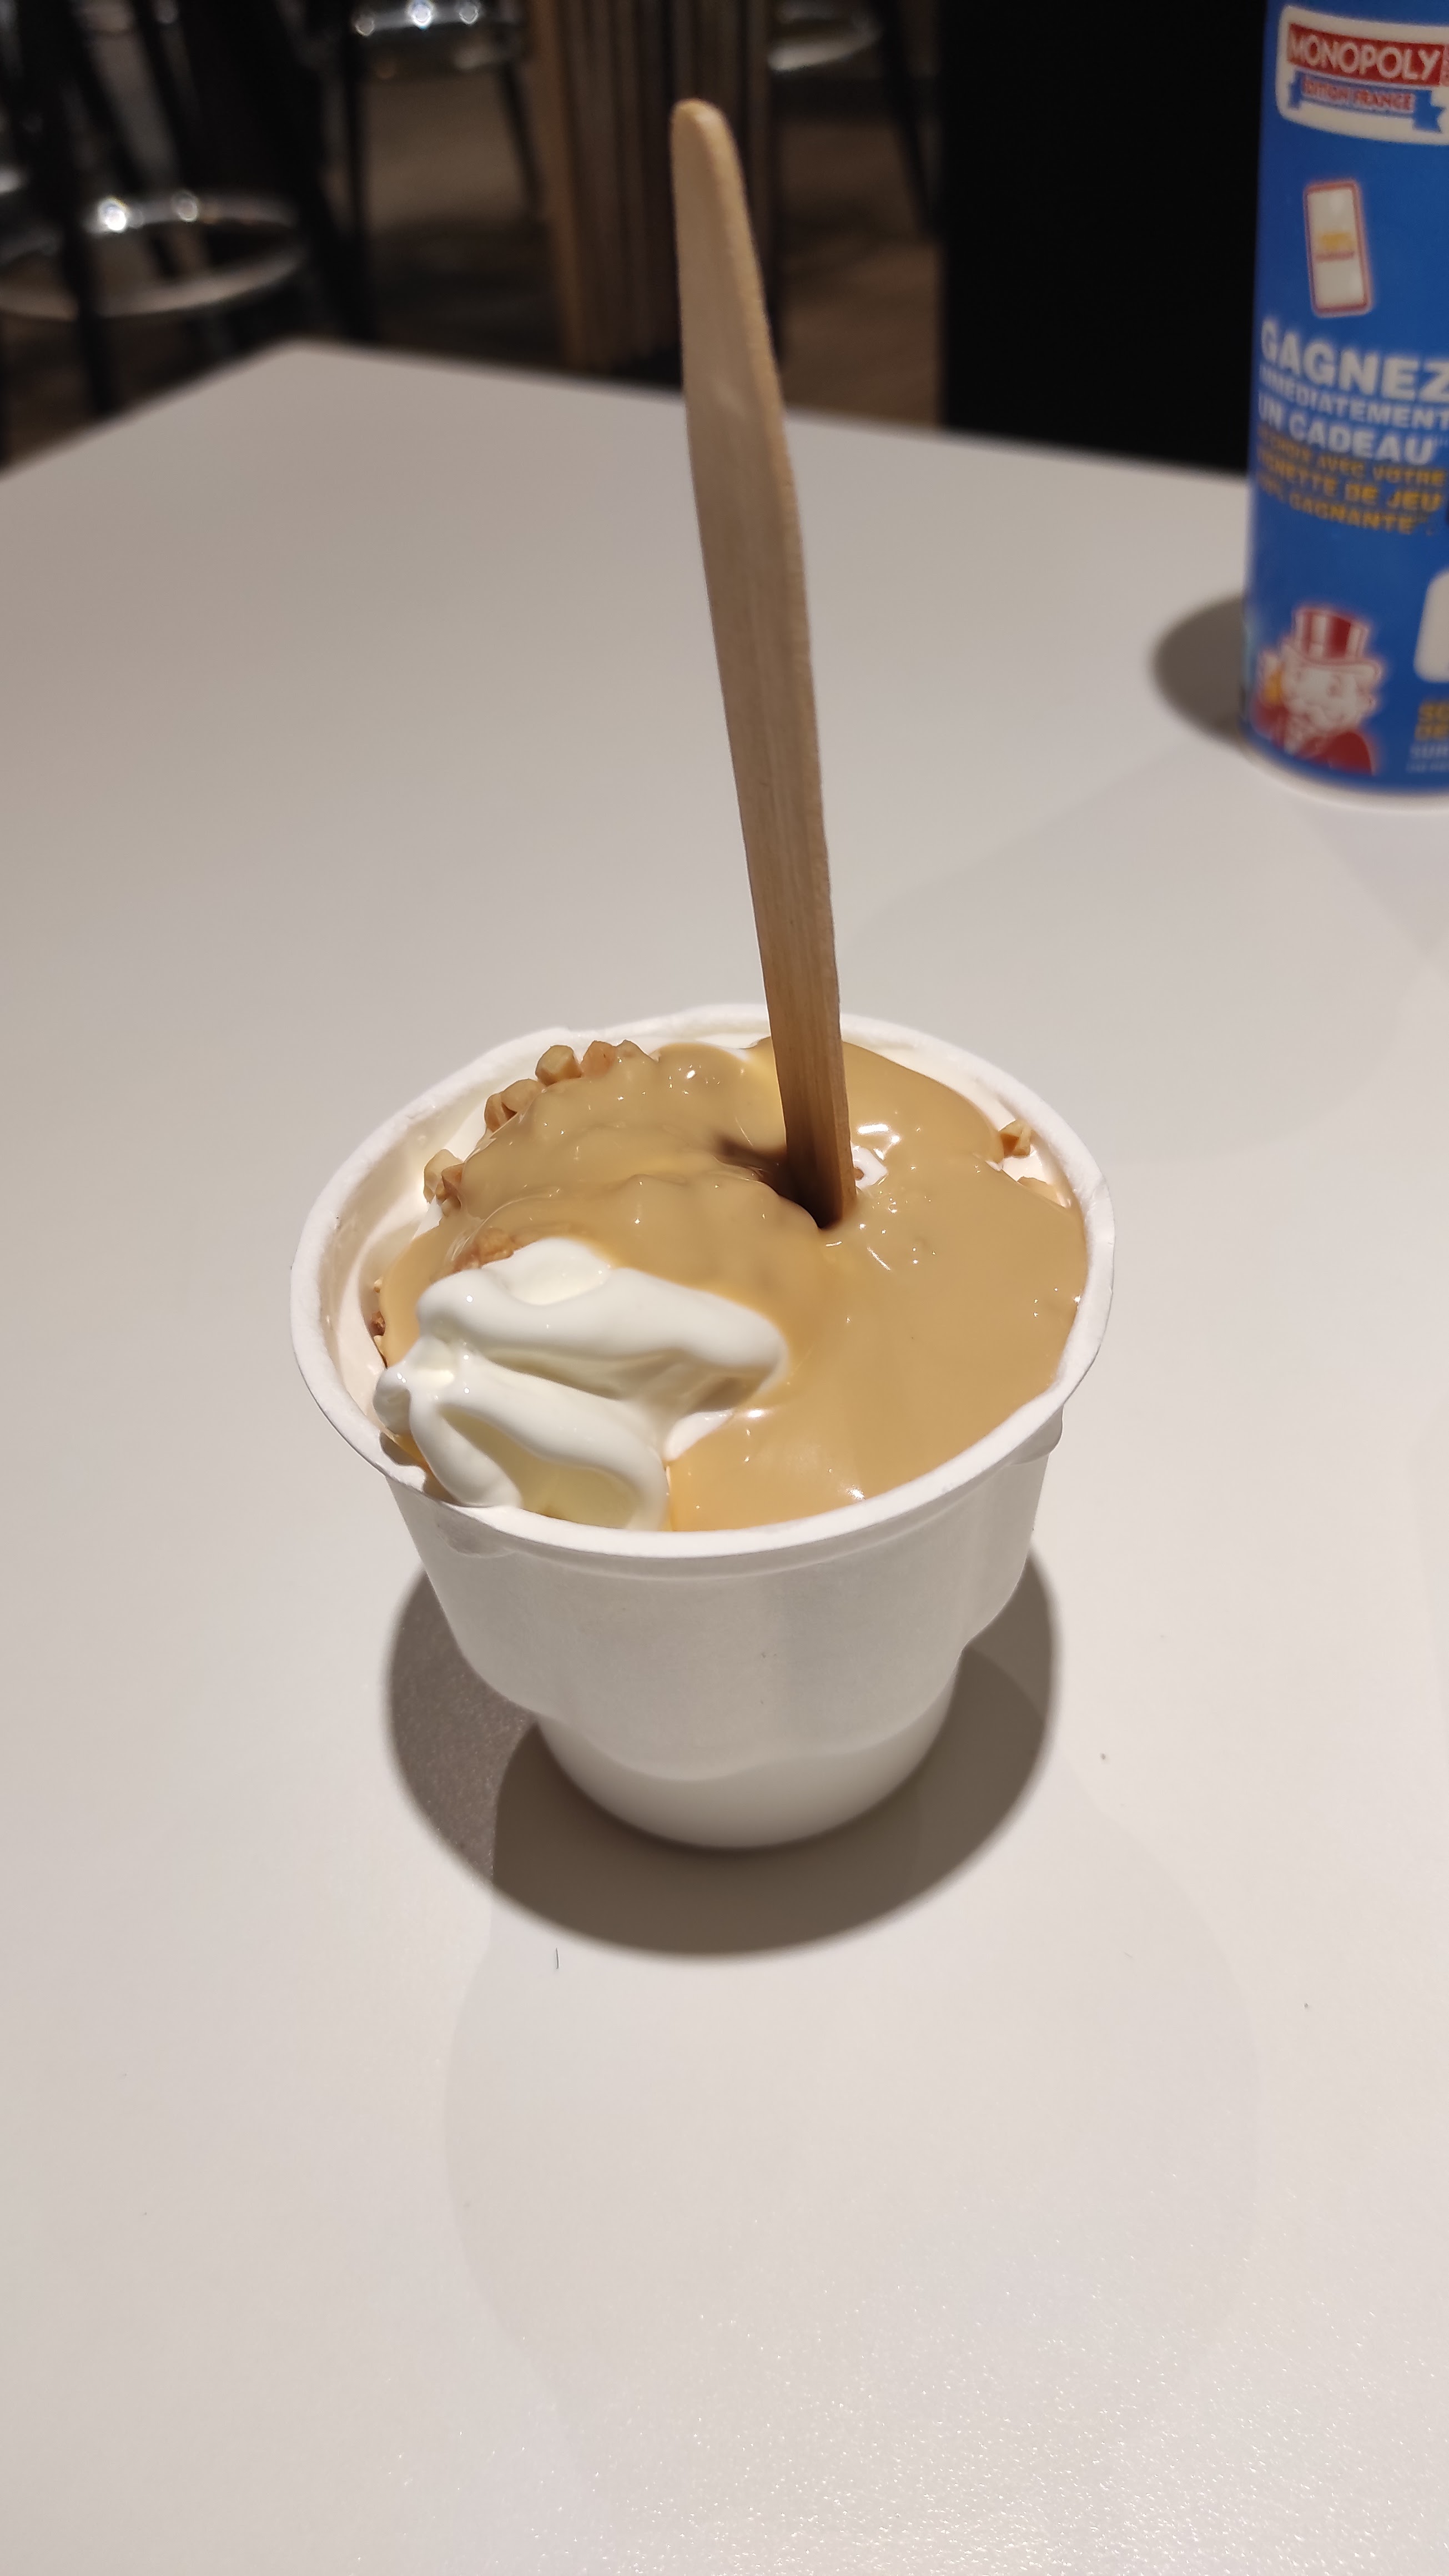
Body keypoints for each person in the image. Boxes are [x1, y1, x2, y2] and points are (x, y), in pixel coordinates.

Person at [1251, 604, 1383, 773]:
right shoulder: (1275, 716)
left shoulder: (1351, 747)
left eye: (1333, 689)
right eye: (1299, 676)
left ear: (1360, 699)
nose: (1310, 699)